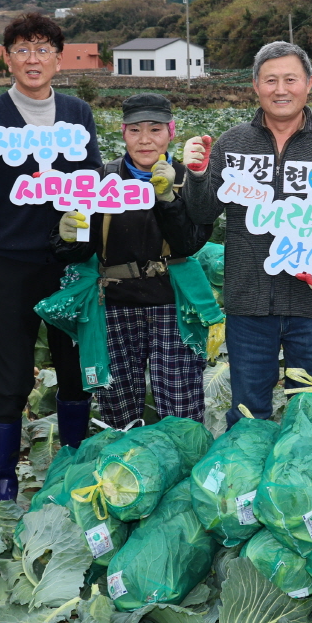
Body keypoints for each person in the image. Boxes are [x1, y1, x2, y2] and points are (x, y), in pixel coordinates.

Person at [0, 11, 101, 505]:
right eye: (23, 49)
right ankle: (3, 476)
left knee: (73, 369)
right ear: (7, 58)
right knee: (10, 375)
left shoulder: (77, 113)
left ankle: (74, 461)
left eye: (43, 48)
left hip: (66, 265)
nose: (33, 58)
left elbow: (88, 181)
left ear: (59, 57)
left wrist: (82, 234)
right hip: (7, 264)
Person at [181, 41, 312, 425]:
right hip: (248, 303)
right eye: (271, 80)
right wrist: (199, 175)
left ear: (309, 84)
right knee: (248, 410)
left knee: (311, 411)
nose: (281, 89)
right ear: (256, 85)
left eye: (291, 79)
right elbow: (203, 211)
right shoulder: (232, 144)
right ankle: (247, 481)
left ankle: (301, 481)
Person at [52, 92, 216, 427]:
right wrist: (68, 234)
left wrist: (168, 197)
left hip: (172, 304)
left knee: (180, 401)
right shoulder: (101, 180)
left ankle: (182, 466)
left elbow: (190, 242)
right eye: (134, 130)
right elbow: (75, 252)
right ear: (122, 132)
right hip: (114, 303)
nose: (145, 140)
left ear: (171, 131)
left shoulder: (191, 179)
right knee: (117, 406)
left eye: (155, 129)